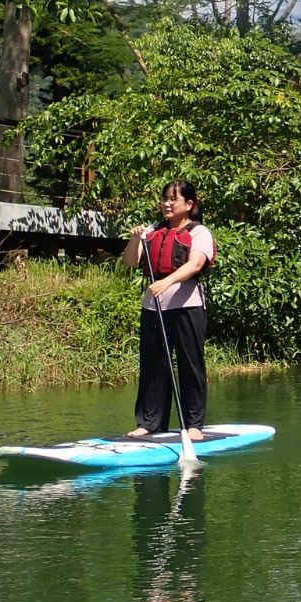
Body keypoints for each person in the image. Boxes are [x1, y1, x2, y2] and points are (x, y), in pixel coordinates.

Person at [121, 180, 216, 440]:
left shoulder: (200, 233)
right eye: (164, 198)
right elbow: (130, 261)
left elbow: (195, 265)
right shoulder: (151, 231)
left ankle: (194, 424)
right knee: (153, 365)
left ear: (189, 204)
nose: (167, 203)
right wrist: (134, 238)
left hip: (187, 307)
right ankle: (150, 424)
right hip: (153, 308)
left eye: (173, 199)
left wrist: (167, 281)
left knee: (190, 364)